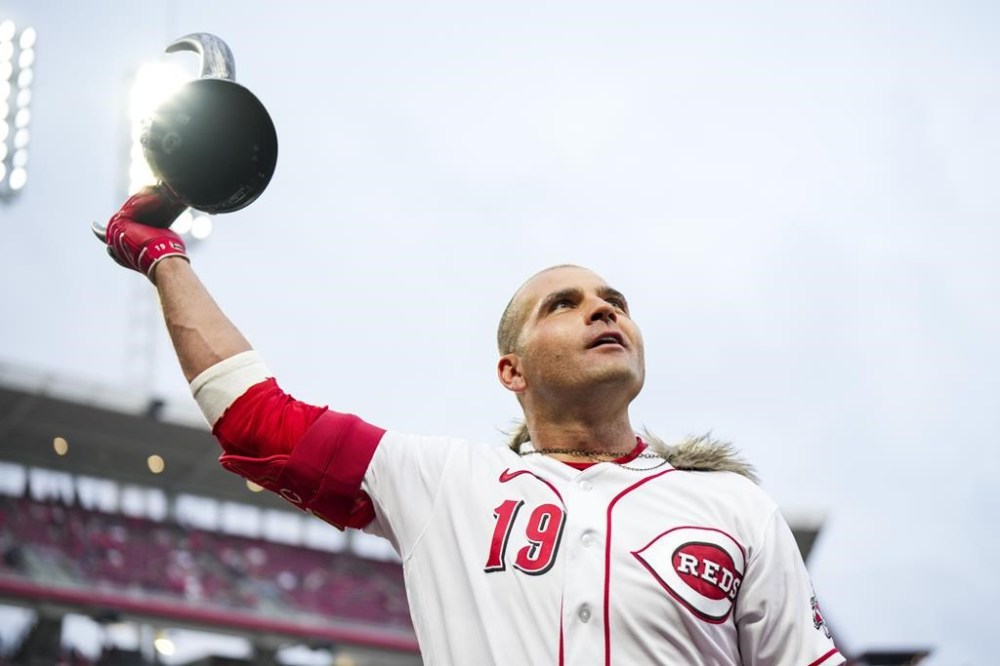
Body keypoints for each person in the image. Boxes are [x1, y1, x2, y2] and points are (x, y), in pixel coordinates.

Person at [94, 187, 845, 666]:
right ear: (511, 372)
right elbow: (260, 426)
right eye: (564, 304)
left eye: (613, 299)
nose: (604, 308)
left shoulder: (734, 508)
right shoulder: (446, 484)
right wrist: (168, 261)